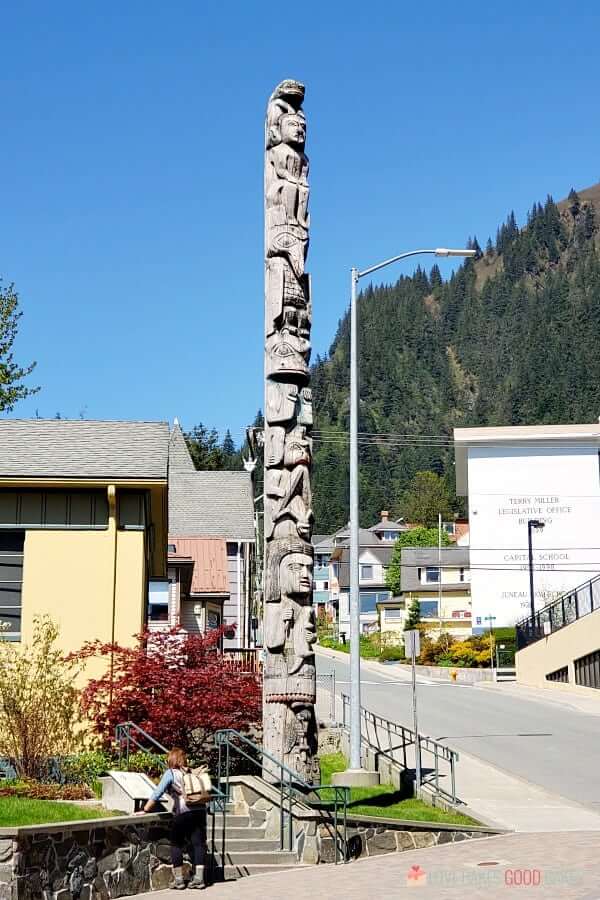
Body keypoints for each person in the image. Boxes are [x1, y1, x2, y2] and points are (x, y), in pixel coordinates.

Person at [139, 748, 207, 890]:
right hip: (200, 810)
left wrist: (145, 810)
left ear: (171, 759)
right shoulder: (192, 772)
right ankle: (199, 879)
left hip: (183, 812)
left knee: (176, 844)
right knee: (198, 844)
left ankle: (179, 880)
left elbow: (158, 792)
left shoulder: (170, 773)